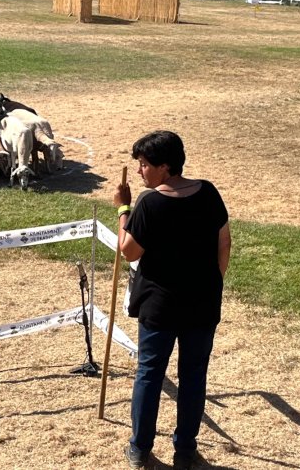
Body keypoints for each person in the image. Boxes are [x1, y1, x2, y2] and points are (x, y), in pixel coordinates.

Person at [115, 130, 231, 470]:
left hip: (160, 307)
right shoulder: (208, 193)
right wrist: (213, 283)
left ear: (164, 167)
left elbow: (128, 249)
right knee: (194, 376)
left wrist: (123, 208)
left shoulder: (150, 203)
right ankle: (185, 451)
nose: (140, 172)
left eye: (145, 165)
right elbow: (224, 242)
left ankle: (139, 449)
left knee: (149, 374)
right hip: (202, 304)